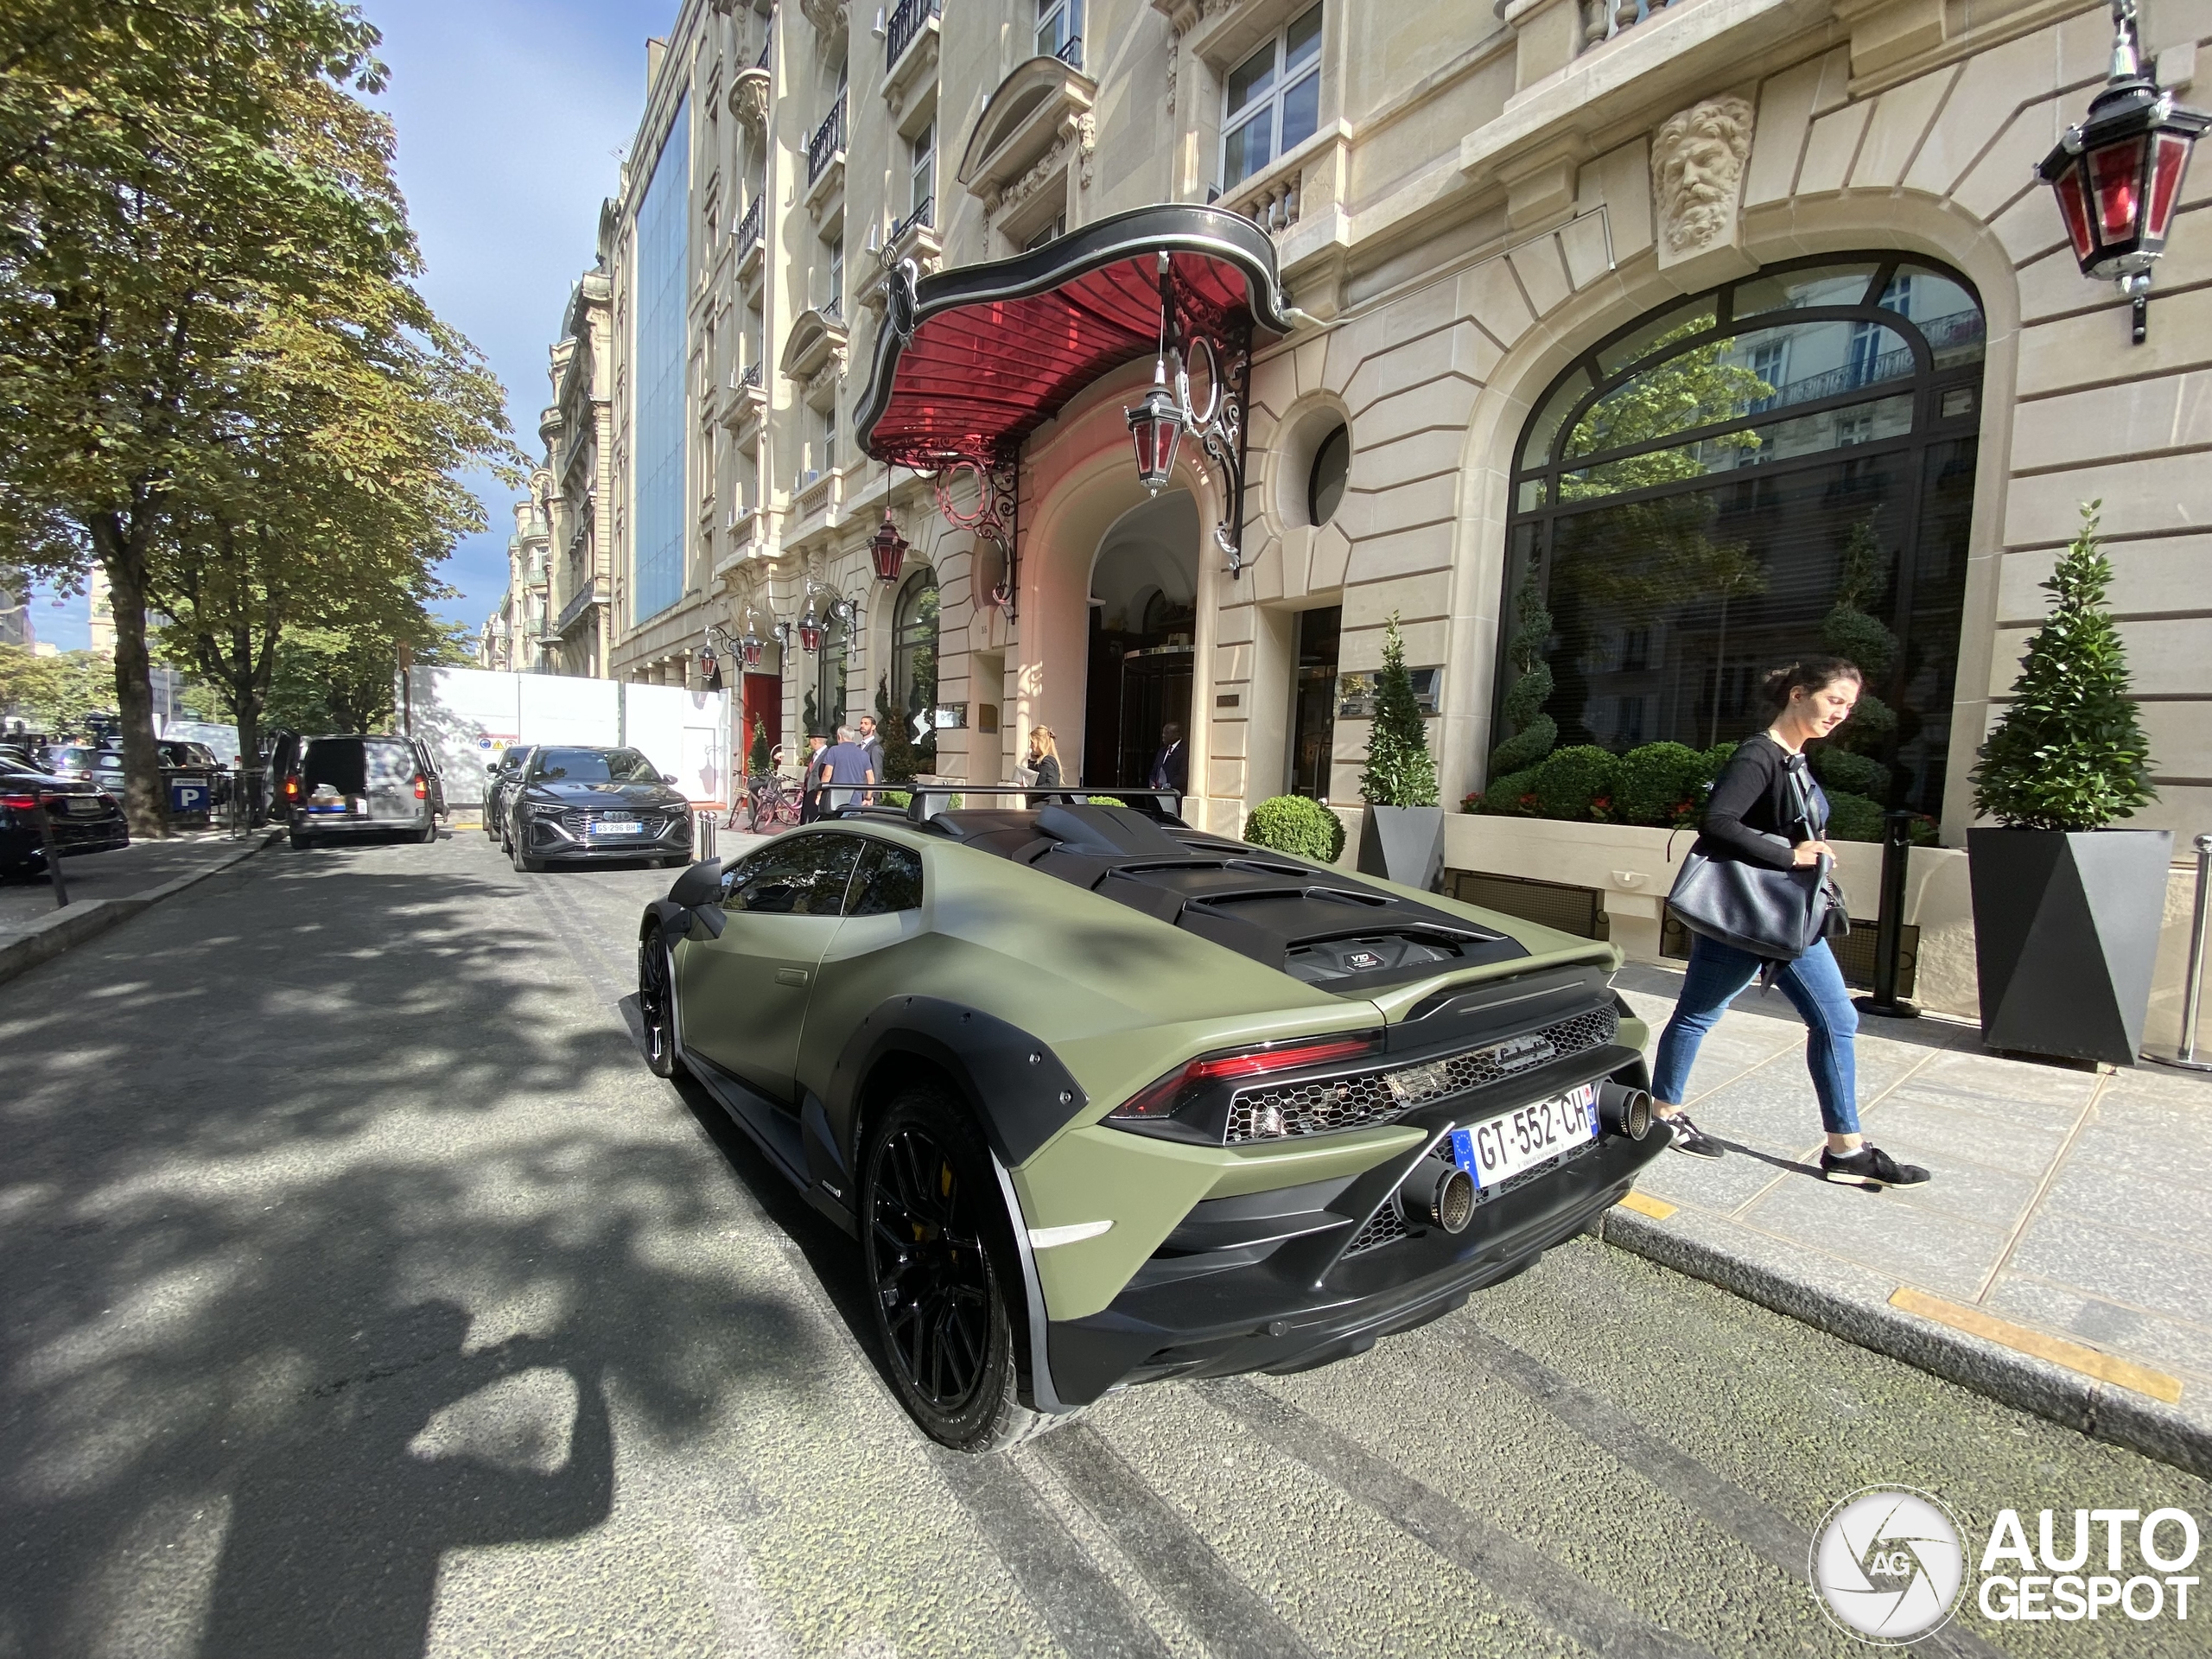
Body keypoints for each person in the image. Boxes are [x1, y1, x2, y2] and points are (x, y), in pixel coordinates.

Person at [1651, 657, 1931, 1189]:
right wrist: (1793, 857)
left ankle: (1845, 1150)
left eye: (1848, 707)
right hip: (1752, 912)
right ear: (1799, 694)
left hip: (1785, 916)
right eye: (1834, 702)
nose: (1841, 715)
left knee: (1833, 1021)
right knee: (1700, 1016)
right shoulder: (1759, 754)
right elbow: (1718, 823)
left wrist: (1812, 852)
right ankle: (1663, 1116)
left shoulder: (1794, 759)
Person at [813, 724, 875, 813]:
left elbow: (827, 774)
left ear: (839, 736)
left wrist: (819, 794)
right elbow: (871, 779)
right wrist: (868, 797)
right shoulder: (863, 754)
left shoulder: (834, 751)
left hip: (838, 801)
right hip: (856, 800)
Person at [1026, 726, 1063, 805]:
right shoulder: (1040, 761)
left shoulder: (1048, 760)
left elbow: (1052, 785)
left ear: (1040, 742)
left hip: (1046, 806)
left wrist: (1029, 790)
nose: (1030, 746)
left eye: (1032, 742)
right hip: (1040, 805)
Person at [797, 734, 830, 823]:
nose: (809, 742)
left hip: (818, 792)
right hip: (809, 792)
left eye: (810, 739)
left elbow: (827, 774)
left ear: (815, 741)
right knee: (807, 817)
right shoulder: (814, 754)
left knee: (814, 818)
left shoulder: (828, 754)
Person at [1147, 721, 1186, 794]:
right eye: (1163, 733)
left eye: (1167, 733)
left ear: (1176, 735)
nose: (1163, 736)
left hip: (1174, 795)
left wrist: (1168, 786)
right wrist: (1152, 784)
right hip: (1157, 794)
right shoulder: (1162, 751)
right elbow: (1154, 771)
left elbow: (1183, 775)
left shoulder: (1185, 750)